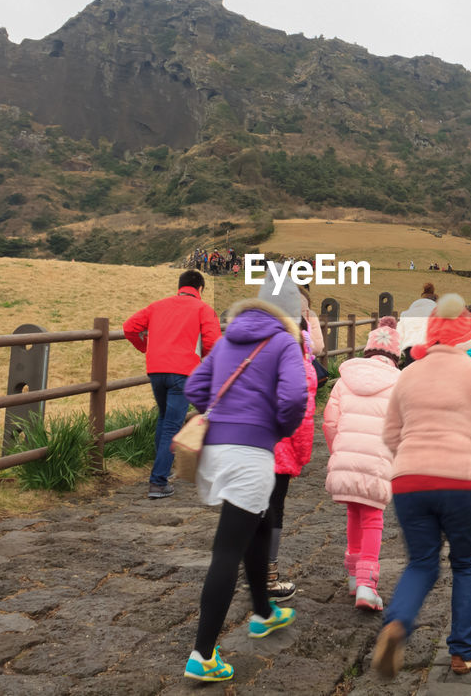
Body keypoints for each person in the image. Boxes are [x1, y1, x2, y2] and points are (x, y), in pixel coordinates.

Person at [371, 294, 471, 679]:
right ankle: (463, 651)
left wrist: (412, 461)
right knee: (468, 563)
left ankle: (397, 622)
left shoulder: (409, 373)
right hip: (464, 480)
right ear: (468, 337)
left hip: (409, 481)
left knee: (421, 562)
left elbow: (390, 433)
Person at [180, 292, 309, 682]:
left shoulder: (226, 340)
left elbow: (195, 387)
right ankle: (203, 655)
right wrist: (276, 429)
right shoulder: (284, 342)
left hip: (216, 449)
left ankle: (264, 613)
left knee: (261, 518)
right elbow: (294, 397)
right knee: (226, 550)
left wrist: (220, 418)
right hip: (249, 454)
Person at [321, 317, 403, 612]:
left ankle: (355, 576)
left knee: (354, 513)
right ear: (396, 355)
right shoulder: (399, 383)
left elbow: (329, 421)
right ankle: (368, 585)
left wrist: (338, 452)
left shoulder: (345, 380)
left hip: (345, 457)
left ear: (368, 350)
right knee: (373, 518)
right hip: (378, 462)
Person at [123, 269, 221, 499]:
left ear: (179, 286)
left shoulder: (157, 306)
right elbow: (213, 342)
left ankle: (162, 472)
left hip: (156, 370)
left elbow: (129, 328)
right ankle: (158, 482)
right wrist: (199, 358)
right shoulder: (203, 309)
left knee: (164, 418)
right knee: (172, 425)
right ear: (200, 289)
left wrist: (147, 348)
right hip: (183, 372)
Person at [259, 276, 317, 602]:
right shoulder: (295, 352)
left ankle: (249, 566)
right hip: (279, 446)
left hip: (245, 441)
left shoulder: (246, 337)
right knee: (273, 509)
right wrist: (301, 456)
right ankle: (267, 576)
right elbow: (302, 413)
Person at [397, 284, 438, 365]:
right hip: (431, 349)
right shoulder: (438, 313)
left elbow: (399, 334)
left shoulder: (407, 314)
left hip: (410, 349)